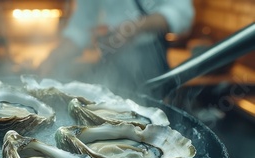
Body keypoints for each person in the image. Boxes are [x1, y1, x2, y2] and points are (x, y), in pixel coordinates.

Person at [39, 0, 195, 94]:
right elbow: (81, 26)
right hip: (111, 58)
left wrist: (135, 27)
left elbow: (182, 12)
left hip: (149, 59)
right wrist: (54, 57)